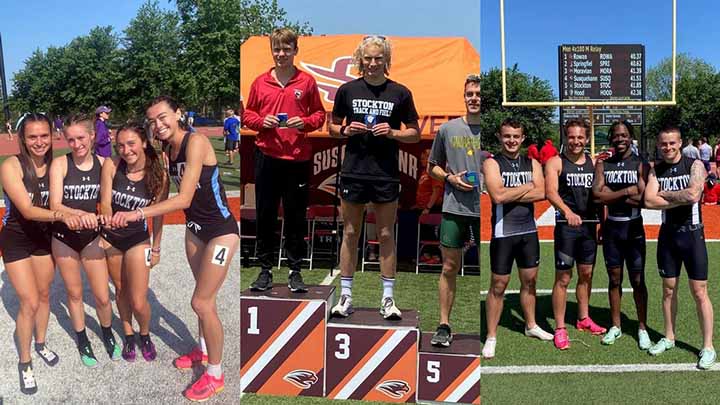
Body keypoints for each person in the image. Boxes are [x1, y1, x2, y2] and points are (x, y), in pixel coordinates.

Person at [109, 96, 239, 401]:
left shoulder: (195, 142)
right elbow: (165, 191)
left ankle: (216, 375)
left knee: (201, 303)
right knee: (204, 297)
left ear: (178, 114)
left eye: (163, 117)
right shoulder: (168, 149)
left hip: (221, 232)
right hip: (195, 231)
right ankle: (204, 351)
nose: (158, 124)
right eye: (152, 120)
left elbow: (183, 200)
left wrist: (137, 213)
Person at [328, 35, 420, 320]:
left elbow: (415, 133)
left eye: (378, 58)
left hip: (385, 174)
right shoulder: (347, 90)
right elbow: (331, 126)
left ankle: (388, 299)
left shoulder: (400, 93)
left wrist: (393, 133)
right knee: (351, 233)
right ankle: (346, 297)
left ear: (386, 60)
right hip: (354, 170)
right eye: (367, 58)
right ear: (360, 60)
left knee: (385, 234)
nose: (372, 63)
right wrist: (345, 131)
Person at [0, 113, 83, 395]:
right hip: (17, 239)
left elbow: (67, 198)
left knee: (45, 294)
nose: (39, 142)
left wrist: (83, 214)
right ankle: (25, 361)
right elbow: (27, 210)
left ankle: (41, 342)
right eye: (32, 136)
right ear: (23, 138)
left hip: (43, 237)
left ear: (52, 136)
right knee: (29, 302)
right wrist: (63, 216)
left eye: (44, 136)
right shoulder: (13, 165)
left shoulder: (55, 165)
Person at [243, 27, 326, 293]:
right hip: (267, 156)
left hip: (297, 159)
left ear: (295, 51)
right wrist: (261, 122)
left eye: (286, 49)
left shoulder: (307, 82)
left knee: (295, 216)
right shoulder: (259, 82)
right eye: (277, 49)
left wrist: (304, 122)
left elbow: (319, 116)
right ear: (272, 51)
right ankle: (265, 270)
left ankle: (295, 270)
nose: (281, 54)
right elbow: (248, 116)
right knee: (265, 215)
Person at [49, 114, 121, 367]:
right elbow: (55, 204)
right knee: (74, 293)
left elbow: (108, 203)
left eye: (81, 138)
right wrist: (81, 214)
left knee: (102, 296)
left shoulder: (104, 164)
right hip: (64, 237)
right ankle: (82, 339)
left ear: (92, 136)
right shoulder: (60, 164)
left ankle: (107, 332)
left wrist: (103, 216)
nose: (76, 144)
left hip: (91, 237)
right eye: (71, 139)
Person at [644, 126, 715, 369]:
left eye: (672, 143)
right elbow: (648, 200)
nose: (668, 147)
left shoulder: (694, 164)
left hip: (693, 235)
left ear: (680, 142)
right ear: (658, 144)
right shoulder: (656, 169)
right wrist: (679, 196)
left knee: (699, 291)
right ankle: (669, 337)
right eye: (664, 144)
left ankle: (707, 346)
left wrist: (666, 195)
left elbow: (694, 194)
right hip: (668, 236)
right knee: (668, 289)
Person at [482, 118, 550, 359]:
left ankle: (531, 325)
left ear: (522, 139)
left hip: (528, 231)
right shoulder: (491, 163)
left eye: (516, 136)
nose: (511, 140)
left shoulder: (531, 161)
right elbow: (498, 196)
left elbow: (542, 192)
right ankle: (491, 336)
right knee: (498, 285)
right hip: (504, 232)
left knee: (530, 281)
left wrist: (512, 192)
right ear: (500, 138)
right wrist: (526, 186)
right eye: (507, 136)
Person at [100, 123, 167, 365]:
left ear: (144, 143)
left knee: (139, 299)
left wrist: (157, 247)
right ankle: (128, 334)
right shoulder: (112, 164)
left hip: (138, 239)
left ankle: (145, 334)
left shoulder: (158, 174)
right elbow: (105, 202)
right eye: (120, 145)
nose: (125, 150)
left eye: (131, 144)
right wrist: (108, 214)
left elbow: (159, 215)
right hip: (111, 238)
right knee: (120, 290)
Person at [427, 75, 481, 346]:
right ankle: (444, 324)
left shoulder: (495, 130)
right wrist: (449, 178)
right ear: (464, 96)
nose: (474, 98)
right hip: (455, 206)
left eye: (479, 94)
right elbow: (432, 166)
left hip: (486, 210)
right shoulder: (448, 129)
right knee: (449, 266)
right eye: (470, 93)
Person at [545, 119, 605, 350]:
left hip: (589, 227)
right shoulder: (555, 162)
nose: (576, 141)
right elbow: (550, 192)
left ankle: (583, 318)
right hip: (566, 228)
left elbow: (600, 195)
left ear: (587, 139)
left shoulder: (594, 162)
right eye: (572, 137)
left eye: (580, 137)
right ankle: (560, 327)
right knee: (563, 278)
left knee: (587, 274)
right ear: (565, 137)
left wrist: (604, 223)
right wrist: (567, 212)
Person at [592, 121, 650, 349]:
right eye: (616, 135)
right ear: (611, 138)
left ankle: (642, 327)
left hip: (634, 227)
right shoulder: (603, 165)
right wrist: (627, 191)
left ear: (631, 137)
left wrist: (611, 193)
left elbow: (643, 199)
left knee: (637, 280)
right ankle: (616, 325)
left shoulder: (640, 164)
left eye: (624, 135)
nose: (620, 139)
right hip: (612, 228)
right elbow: (596, 195)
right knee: (614, 279)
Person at [415, 148, 443, 264]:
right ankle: (427, 255)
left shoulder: (434, 172)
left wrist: (428, 208)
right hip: (423, 209)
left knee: (433, 233)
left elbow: (436, 191)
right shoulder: (424, 172)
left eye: (423, 158)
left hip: (433, 209)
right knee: (425, 233)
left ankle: (436, 256)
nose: (421, 160)